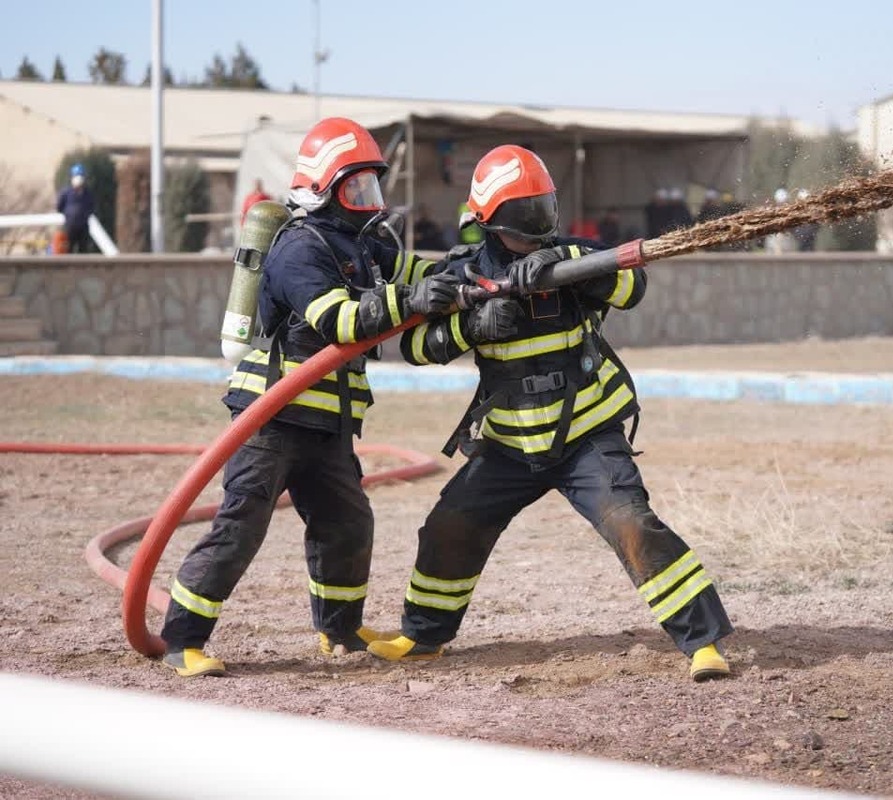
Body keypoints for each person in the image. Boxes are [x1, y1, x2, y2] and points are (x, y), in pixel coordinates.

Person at [369, 144, 735, 682]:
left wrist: (570, 267)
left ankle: (703, 642)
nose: (538, 223)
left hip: (586, 435)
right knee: (450, 526)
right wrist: (470, 327)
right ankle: (424, 637)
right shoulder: (463, 274)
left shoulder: (576, 258)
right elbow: (416, 347)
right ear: (489, 220)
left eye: (543, 209)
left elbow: (633, 285)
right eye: (525, 214)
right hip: (509, 444)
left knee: (632, 525)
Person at [158, 117, 459, 678]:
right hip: (271, 417)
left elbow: (421, 273)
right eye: (354, 188)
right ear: (321, 190)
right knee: (241, 525)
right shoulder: (299, 247)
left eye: (371, 186)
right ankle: (182, 639)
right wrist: (412, 298)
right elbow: (340, 321)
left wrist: (481, 266)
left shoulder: (366, 247)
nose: (367, 200)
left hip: (329, 422)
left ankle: (339, 632)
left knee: (347, 524)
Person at [56, 163, 94, 254]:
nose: (79, 178)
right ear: (72, 177)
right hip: (70, 226)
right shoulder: (66, 192)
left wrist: (85, 215)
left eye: (81, 175)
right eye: (76, 175)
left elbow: (91, 207)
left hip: (83, 226)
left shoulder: (87, 193)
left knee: (83, 251)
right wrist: (69, 214)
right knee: (68, 250)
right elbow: (59, 207)